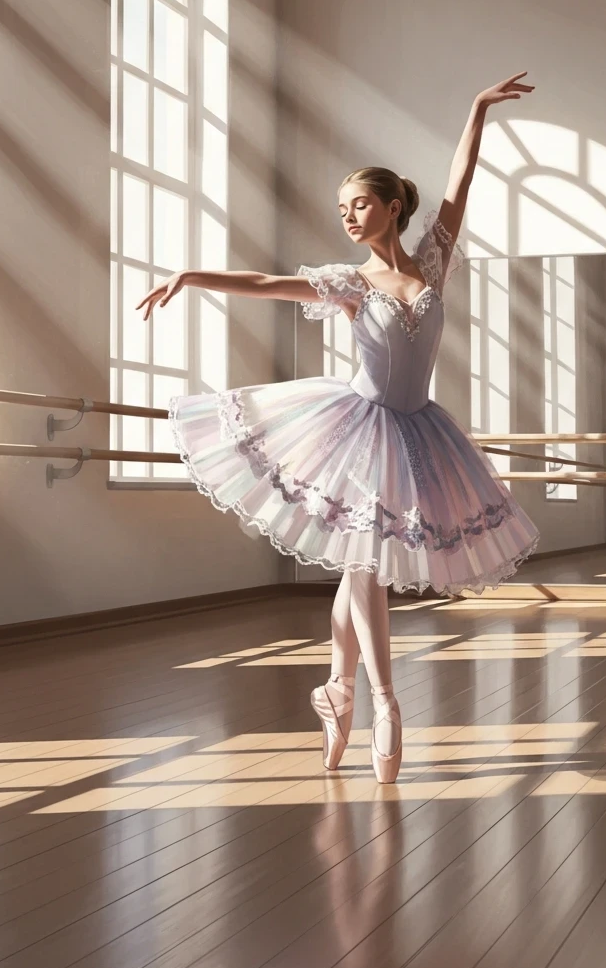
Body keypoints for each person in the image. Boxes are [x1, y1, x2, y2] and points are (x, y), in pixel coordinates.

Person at [138, 73, 540, 783]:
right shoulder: (349, 283)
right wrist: (193, 276)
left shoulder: (434, 261)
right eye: (342, 209)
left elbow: (460, 182)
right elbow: (268, 286)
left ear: (392, 208)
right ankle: (385, 703)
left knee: (361, 566)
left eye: (359, 205)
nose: (348, 217)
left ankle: (337, 688)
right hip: (360, 428)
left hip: (420, 431)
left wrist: (477, 108)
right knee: (366, 564)